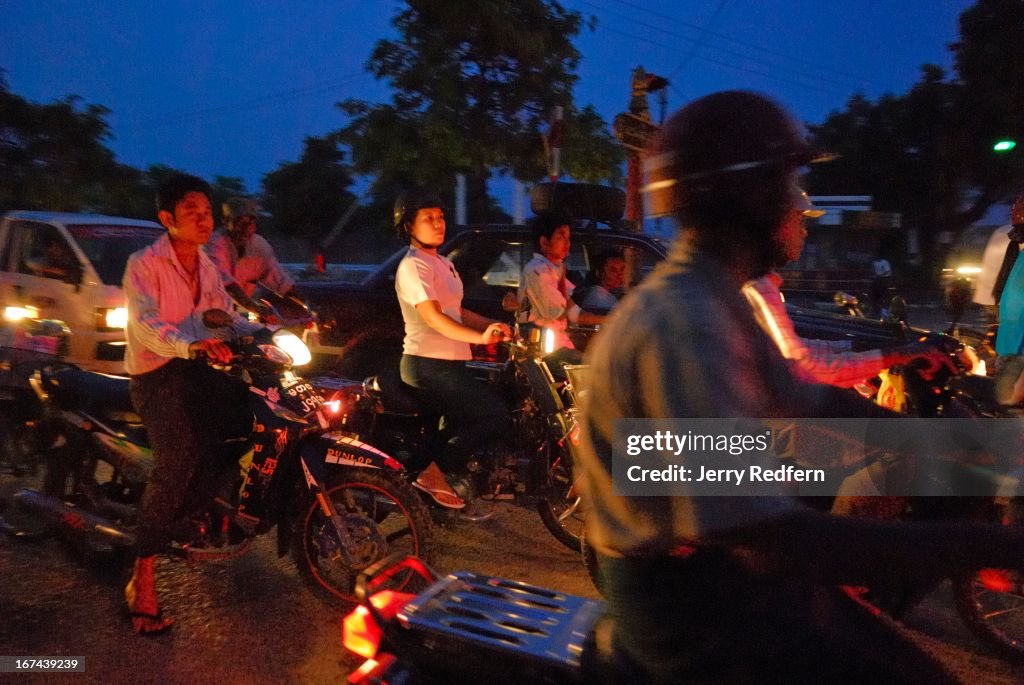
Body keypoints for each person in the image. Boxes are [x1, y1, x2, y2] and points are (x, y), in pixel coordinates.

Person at [575, 91, 1022, 683]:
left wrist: (967, 452)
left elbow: (810, 400)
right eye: (791, 186)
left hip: (716, 574)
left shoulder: (717, 297)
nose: (800, 208)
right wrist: (975, 545)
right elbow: (766, 534)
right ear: (751, 197)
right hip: (685, 609)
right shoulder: (686, 319)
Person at [122, 173, 262, 635]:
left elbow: (222, 312)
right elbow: (146, 323)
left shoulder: (204, 264)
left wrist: (265, 331)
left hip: (195, 369)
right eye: (192, 212)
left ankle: (194, 513)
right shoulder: (143, 264)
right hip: (156, 374)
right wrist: (189, 346)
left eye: (207, 211)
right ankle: (141, 577)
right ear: (167, 219)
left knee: (248, 419)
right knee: (178, 458)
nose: (204, 219)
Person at [742, 188, 953, 388]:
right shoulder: (758, 289)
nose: (804, 232)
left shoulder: (759, 284)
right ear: (773, 225)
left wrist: (861, 347)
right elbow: (809, 369)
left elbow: (802, 349)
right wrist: (899, 355)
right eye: (799, 220)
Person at [393, 188, 512, 510]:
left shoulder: (442, 262)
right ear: (409, 226)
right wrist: (481, 339)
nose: (438, 223)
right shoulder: (413, 267)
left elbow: (456, 311)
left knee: (458, 424)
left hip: (451, 364)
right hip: (427, 366)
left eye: (441, 217)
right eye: (428, 218)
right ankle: (434, 473)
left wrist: (493, 323)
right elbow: (433, 317)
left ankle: (439, 491)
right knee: (494, 414)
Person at [515, 211, 605, 366]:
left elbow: (573, 313)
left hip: (558, 345)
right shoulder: (538, 272)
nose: (567, 243)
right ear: (544, 242)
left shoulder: (554, 270)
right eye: (560, 237)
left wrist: (609, 320)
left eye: (568, 238)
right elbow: (562, 312)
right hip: (544, 351)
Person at [205, 196, 298, 319]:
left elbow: (280, 280)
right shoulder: (213, 244)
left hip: (239, 315)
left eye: (251, 223)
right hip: (209, 315)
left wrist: (306, 304)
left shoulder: (259, 245)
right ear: (226, 221)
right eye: (240, 222)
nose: (246, 229)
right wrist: (254, 308)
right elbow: (226, 284)